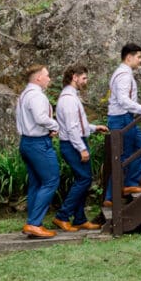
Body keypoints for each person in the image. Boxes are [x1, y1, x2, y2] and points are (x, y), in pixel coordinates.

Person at [54, 65, 107, 232]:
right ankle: (62, 216)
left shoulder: (71, 96)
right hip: (72, 144)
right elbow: (71, 128)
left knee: (82, 179)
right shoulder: (68, 99)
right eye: (83, 77)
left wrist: (93, 127)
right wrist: (81, 148)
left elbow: (78, 123)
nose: (86, 81)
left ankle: (79, 219)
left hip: (75, 141)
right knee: (84, 179)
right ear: (74, 77)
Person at [104, 43, 141, 204]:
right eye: (138, 57)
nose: (140, 60)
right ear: (129, 57)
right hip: (122, 118)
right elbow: (123, 100)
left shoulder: (123, 73)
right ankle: (113, 194)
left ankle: (128, 185)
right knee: (124, 157)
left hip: (125, 117)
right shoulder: (124, 75)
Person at [15, 64, 60, 238]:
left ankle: (33, 222)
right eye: (47, 75)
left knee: (36, 183)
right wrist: (55, 125)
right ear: (38, 78)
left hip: (26, 142)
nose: (49, 79)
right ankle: (34, 223)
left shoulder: (24, 95)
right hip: (38, 144)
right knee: (51, 180)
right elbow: (40, 118)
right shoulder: (36, 96)